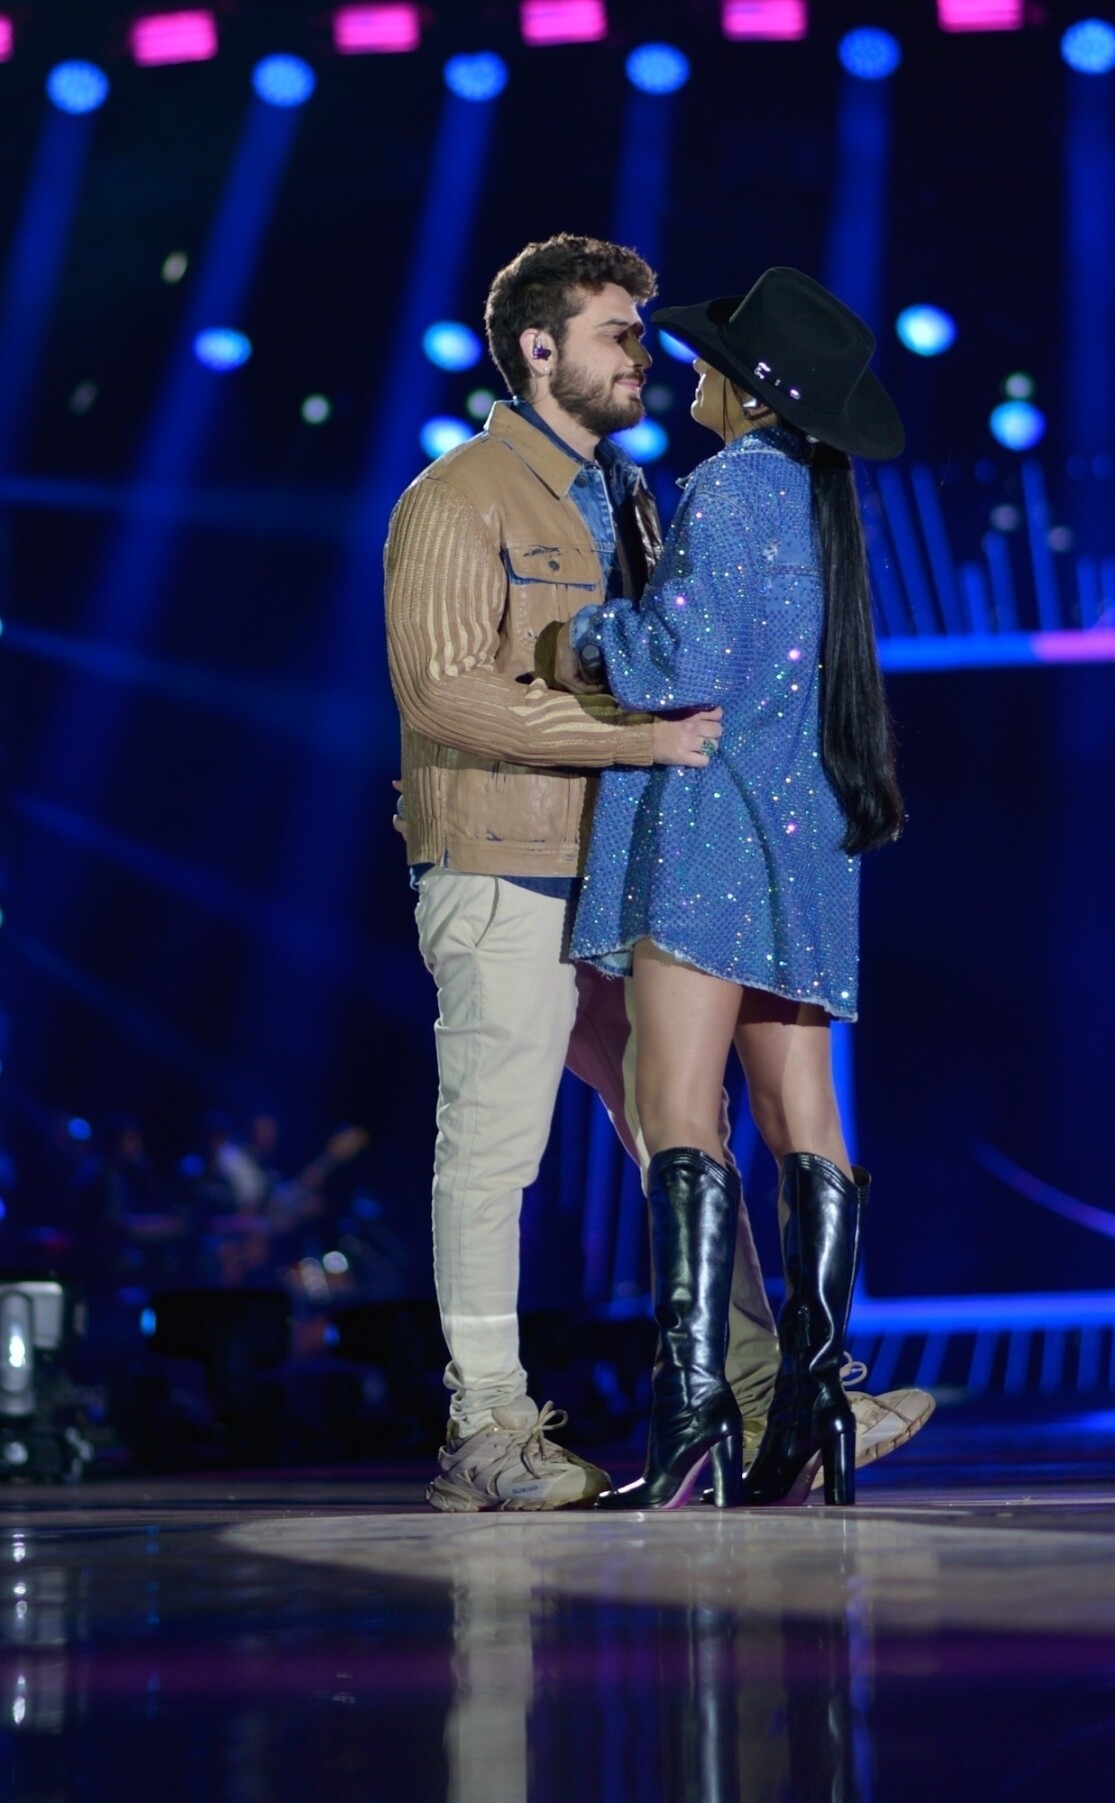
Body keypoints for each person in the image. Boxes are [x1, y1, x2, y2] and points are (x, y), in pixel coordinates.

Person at [385, 237, 929, 1514]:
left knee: (677, 1123)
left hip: (632, 863)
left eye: (647, 332)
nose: (645, 351)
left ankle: (766, 1390)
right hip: (508, 857)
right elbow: (446, 693)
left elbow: (698, 648)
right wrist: (634, 732)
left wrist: (646, 729)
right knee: (501, 1138)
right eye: (619, 330)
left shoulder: (636, 493)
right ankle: (493, 1423)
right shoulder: (458, 497)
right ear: (537, 347)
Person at [557, 267, 912, 1511]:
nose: (687, 372)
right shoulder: (824, 501)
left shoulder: (726, 488)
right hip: (811, 836)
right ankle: (814, 1409)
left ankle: (692, 1412)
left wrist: (594, 633)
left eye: (709, 360)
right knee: (804, 1119)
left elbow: (679, 663)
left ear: (750, 391)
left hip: (710, 831)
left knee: (675, 1115)